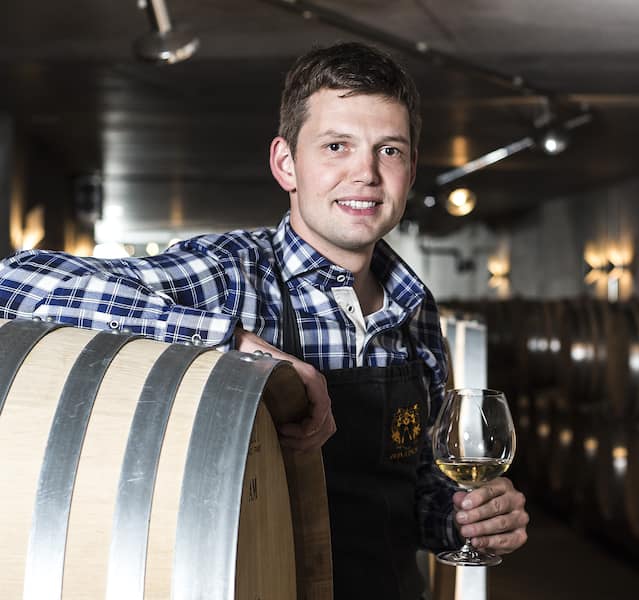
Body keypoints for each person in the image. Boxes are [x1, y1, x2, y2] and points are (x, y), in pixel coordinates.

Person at [0, 42, 528, 599]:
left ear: (411, 169)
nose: (365, 173)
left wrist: (469, 521)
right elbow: (15, 285)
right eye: (336, 146)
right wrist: (232, 345)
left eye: (389, 150)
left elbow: (417, 491)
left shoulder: (415, 309)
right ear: (286, 164)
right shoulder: (231, 275)